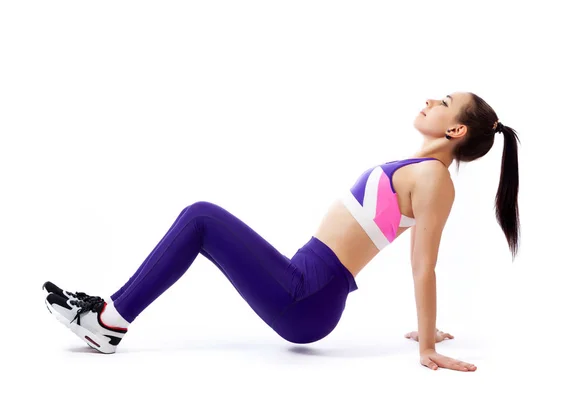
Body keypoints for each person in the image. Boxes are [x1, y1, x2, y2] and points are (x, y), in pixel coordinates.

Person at [43, 91, 520, 372]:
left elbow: (424, 264)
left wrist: (429, 348)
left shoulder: (434, 179)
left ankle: (107, 321)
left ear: (455, 131)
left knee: (200, 217)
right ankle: (108, 314)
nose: (432, 99)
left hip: (307, 296)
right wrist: (426, 327)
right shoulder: (420, 169)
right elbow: (415, 250)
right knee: (201, 220)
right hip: (303, 280)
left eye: (445, 101)